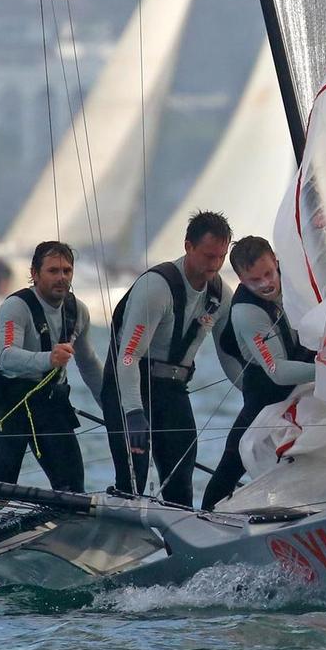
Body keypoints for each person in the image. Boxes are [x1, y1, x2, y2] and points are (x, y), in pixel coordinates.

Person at [101, 210, 239, 508]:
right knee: (133, 482)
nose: (214, 266)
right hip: (130, 388)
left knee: (180, 482)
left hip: (173, 391)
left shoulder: (220, 295)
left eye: (220, 257)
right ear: (188, 246)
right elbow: (128, 356)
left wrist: (253, 391)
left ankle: (182, 545)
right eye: (207, 256)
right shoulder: (156, 288)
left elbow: (227, 355)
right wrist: (134, 412)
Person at [201, 235, 316, 512]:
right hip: (267, 389)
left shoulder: (294, 276)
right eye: (254, 280)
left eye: (268, 273)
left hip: (308, 372)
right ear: (241, 278)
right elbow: (277, 371)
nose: (266, 283)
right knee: (235, 458)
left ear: (277, 262)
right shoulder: (246, 312)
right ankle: (204, 517)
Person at [0, 240, 104, 493]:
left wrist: (114, 408)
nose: (61, 278)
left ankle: (65, 530)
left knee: (73, 493)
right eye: (53, 271)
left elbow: (89, 363)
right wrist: (48, 358)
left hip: (53, 408)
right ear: (34, 274)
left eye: (67, 271)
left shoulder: (78, 311)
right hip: (12, 407)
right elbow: (6, 357)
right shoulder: (15, 307)